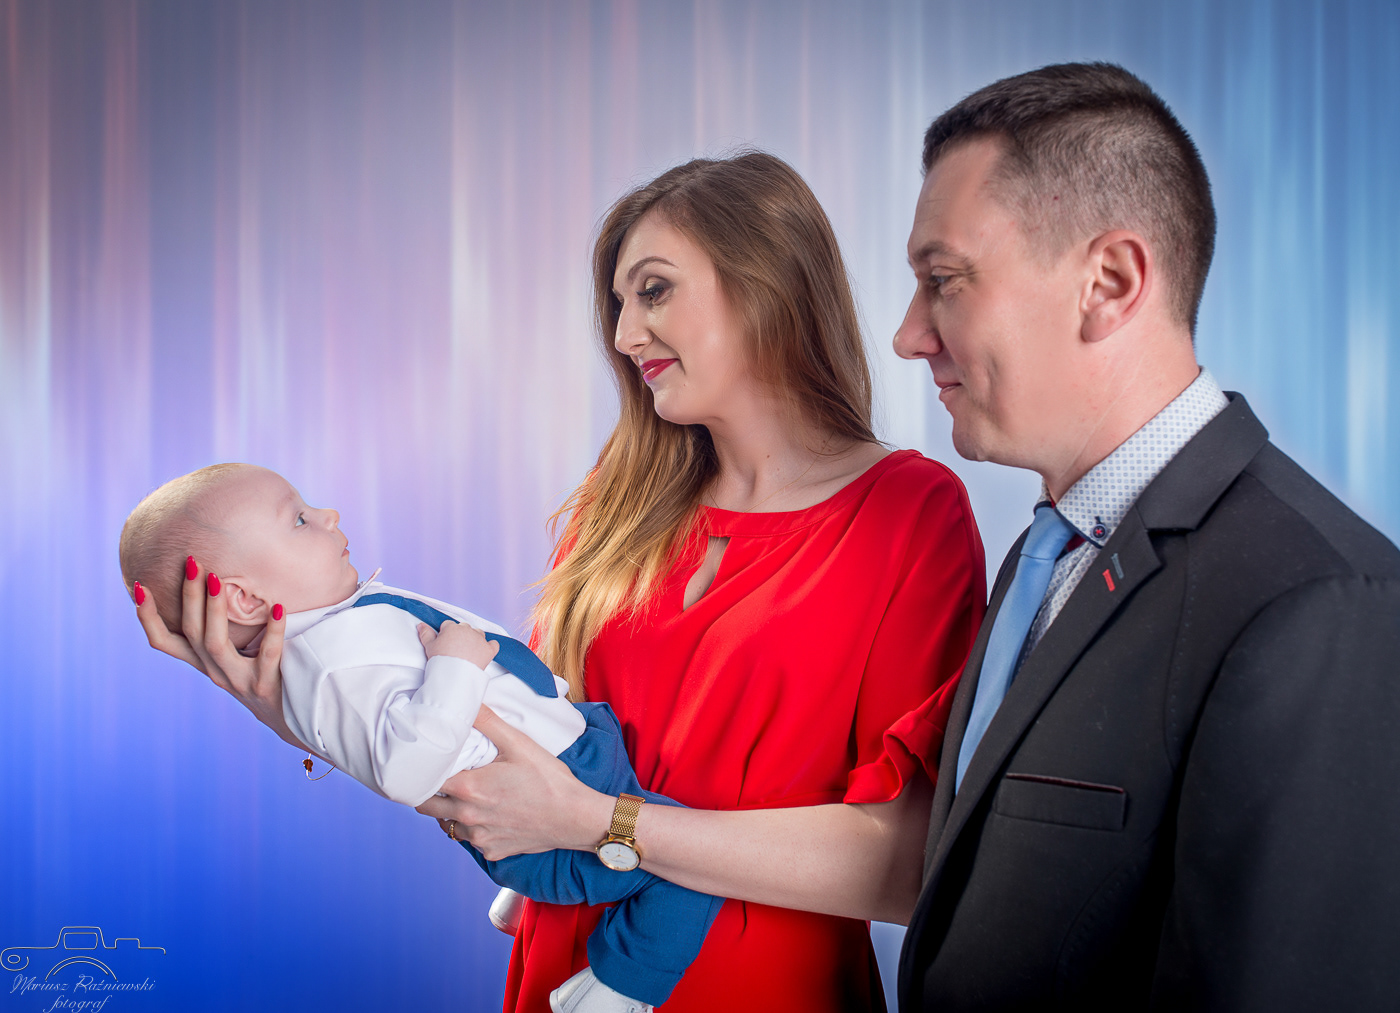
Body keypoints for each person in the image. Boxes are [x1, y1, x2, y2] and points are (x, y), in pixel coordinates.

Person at [137, 151, 986, 1013]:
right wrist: (299, 704)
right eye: (619, 304)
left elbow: (910, 866)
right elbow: (506, 754)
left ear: (764, 283)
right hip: (560, 972)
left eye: (654, 291)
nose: (623, 335)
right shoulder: (620, 502)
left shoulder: (908, 512)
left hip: (765, 986)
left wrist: (600, 821)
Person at [886, 63, 1400, 1009]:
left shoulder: (1319, 603)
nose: (910, 334)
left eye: (943, 281)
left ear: (1110, 282)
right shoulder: (1048, 556)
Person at [122, 462, 722, 1013]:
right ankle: (617, 988)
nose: (329, 515)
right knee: (688, 870)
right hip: (560, 788)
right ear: (245, 597)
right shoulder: (327, 664)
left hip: (570, 750)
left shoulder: (335, 621)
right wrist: (455, 664)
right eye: (299, 519)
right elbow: (406, 771)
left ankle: (536, 890)